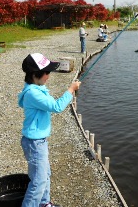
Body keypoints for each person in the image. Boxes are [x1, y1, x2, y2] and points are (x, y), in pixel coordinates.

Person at [18, 53, 81, 207]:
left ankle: (44, 203)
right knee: (38, 181)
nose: (48, 76)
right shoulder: (33, 93)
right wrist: (70, 90)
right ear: (35, 74)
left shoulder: (36, 89)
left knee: (45, 175)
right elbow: (57, 106)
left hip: (39, 141)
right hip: (34, 143)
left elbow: (49, 100)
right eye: (46, 72)